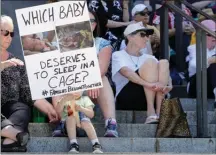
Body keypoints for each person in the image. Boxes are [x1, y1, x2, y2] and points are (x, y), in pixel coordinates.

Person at [52, 11, 118, 138]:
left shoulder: (102, 43)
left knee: (102, 78)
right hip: (68, 88)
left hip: (91, 90)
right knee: (57, 79)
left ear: (94, 26)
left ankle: (111, 122)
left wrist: (93, 81)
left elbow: (102, 69)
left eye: (90, 21)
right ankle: (63, 121)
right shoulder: (61, 44)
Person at [1, 15, 58, 152]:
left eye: (12, 33)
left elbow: (28, 93)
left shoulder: (17, 61)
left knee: (23, 108)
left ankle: (9, 140)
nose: (9, 36)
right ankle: (13, 135)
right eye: (5, 32)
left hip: (9, 107)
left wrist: (50, 109)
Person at [112, 22, 172, 124]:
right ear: (130, 37)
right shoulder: (118, 55)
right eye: (142, 35)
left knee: (164, 62)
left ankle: (159, 111)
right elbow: (126, 72)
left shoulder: (149, 57)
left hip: (152, 94)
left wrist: (169, 86)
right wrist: (149, 84)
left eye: (147, 36)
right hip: (127, 97)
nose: (147, 39)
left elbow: (166, 76)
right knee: (150, 63)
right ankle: (150, 111)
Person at [187, 20, 216, 104]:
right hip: (197, 87)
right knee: (213, 65)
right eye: (209, 34)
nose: (214, 36)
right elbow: (195, 65)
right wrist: (211, 60)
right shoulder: (194, 48)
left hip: (211, 87)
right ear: (200, 36)